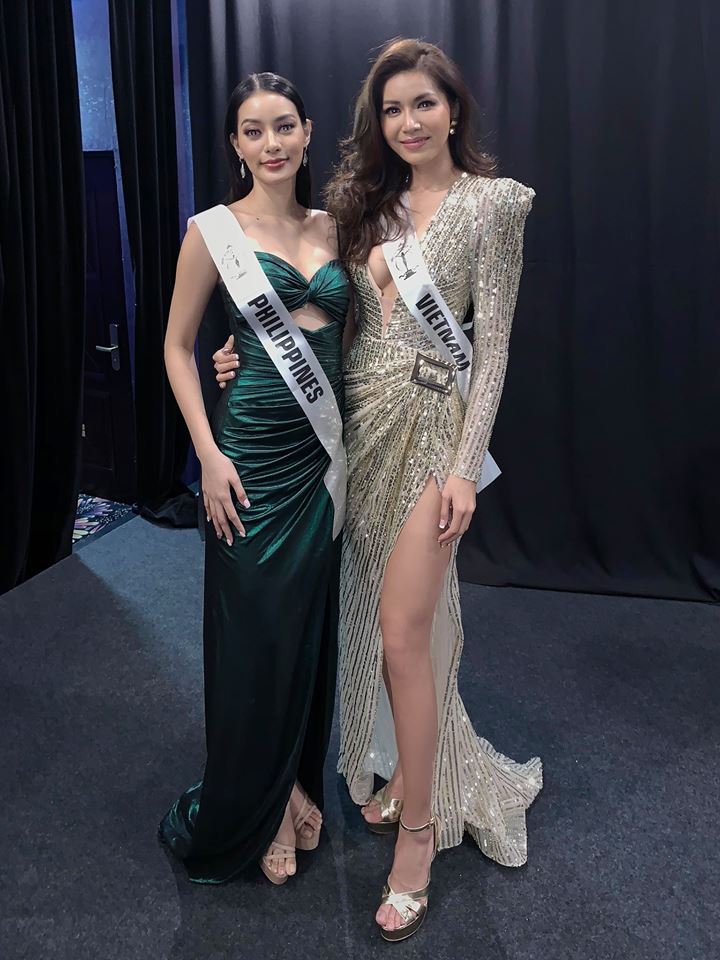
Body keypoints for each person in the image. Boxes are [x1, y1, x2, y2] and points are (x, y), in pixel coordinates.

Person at [214, 38, 542, 941]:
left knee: (402, 633)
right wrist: (242, 351)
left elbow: (495, 348)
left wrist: (466, 467)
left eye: (423, 104)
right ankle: (405, 772)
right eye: (392, 109)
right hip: (353, 428)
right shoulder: (363, 206)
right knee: (377, 617)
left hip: (433, 433)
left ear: (453, 108)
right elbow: (329, 315)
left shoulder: (495, 205)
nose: (408, 122)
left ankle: (420, 838)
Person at [160, 72, 351, 886]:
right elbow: (177, 347)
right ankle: (259, 808)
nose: (271, 143)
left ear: (307, 133)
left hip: (323, 458)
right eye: (252, 130)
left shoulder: (338, 225)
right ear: (235, 145)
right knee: (253, 637)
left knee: (307, 627)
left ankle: (296, 784)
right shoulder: (213, 232)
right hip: (248, 459)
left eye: (284, 126)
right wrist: (208, 454)